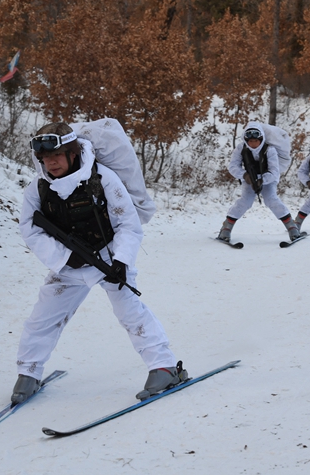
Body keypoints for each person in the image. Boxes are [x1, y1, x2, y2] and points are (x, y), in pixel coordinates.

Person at [14, 122, 185, 404]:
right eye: (45, 158)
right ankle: (28, 373)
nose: (51, 163)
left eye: (57, 155)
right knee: (42, 319)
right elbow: (30, 228)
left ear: (72, 153)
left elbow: (127, 224)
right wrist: (65, 257)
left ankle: (163, 367)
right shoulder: (39, 187)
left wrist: (121, 261)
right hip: (68, 266)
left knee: (130, 312)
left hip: (108, 258)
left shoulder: (102, 179)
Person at [216, 123, 301, 242]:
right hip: (249, 178)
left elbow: (274, 172)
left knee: (271, 199)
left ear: (261, 139)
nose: (253, 144)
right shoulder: (241, 148)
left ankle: (292, 228)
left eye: (256, 141)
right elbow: (233, 166)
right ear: (246, 140)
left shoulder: (270, 150)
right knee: (245, 202)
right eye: (250, 141)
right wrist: (245, 175)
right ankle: (226, 228)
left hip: (268, 178)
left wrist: (262, 180)